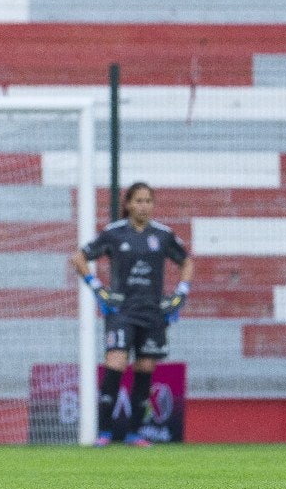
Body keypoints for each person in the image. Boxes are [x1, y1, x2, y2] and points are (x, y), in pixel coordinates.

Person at [71, 181, 194, 447]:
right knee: (115, 363)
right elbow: (79, 258)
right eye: (138, 200)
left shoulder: (162, 235)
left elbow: (186, 262)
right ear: (127, 204)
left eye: (148, 200)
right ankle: (104, 433)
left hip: (152, 313)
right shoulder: (115, 233)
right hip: (121, 311)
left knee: (145, 368)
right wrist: (97, 289)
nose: (143, 205)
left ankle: (134, 433)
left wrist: (180, 294)